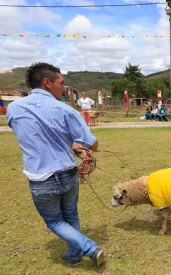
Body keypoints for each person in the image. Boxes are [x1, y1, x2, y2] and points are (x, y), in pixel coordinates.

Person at [6, 63, 104, 267]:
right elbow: (91, 143)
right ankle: (79, 253)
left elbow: (34, 135)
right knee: (70, 214)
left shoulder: (14, 108)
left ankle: (88, 249)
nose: (64, 88)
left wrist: (69, 146)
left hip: (41, 179)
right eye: (61, 83)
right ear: (47, 83)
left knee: (54, 221)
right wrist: (82, 146)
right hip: (68, 174)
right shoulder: (64, 110)